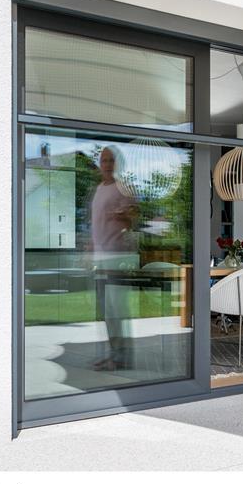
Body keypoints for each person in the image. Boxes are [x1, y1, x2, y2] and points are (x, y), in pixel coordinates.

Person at [87, 145, 140, 371]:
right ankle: (113, 354)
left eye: (110, 160)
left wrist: (124, 216)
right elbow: (95, 225)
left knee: (117, 310)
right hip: (100, 259)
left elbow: (134, 220)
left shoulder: (123, 188)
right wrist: (89, 250)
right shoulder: (99, 189)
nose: (107, 164)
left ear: (117, 164)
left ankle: (121, 358)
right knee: (106, 312)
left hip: (116, 257)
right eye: (104, 160)